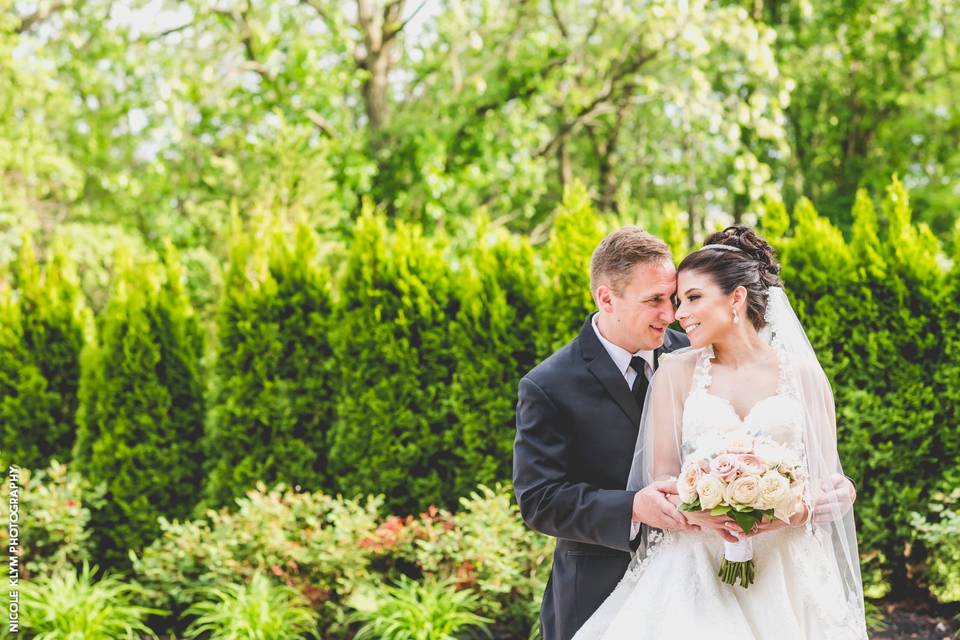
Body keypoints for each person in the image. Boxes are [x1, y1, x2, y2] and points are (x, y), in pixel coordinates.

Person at [572, 226, 867, 639]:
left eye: (693, 297)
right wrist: (700, 509)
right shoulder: (674, 372)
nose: (677, 314)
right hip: (696, 564)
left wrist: (790, 508)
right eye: (677, 301)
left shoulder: (805, 377)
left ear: (737, 298)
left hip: (786, 568)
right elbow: (662, 478)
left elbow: (824, 483)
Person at [513, 227, 694, 640]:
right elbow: (539, 500)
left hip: (696, 592)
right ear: (606, 299)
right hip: (597, 597)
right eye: (654, 301)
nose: (671, 314)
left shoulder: (695, 357)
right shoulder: (548, 385)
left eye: (673, 298)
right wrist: (632, 508)